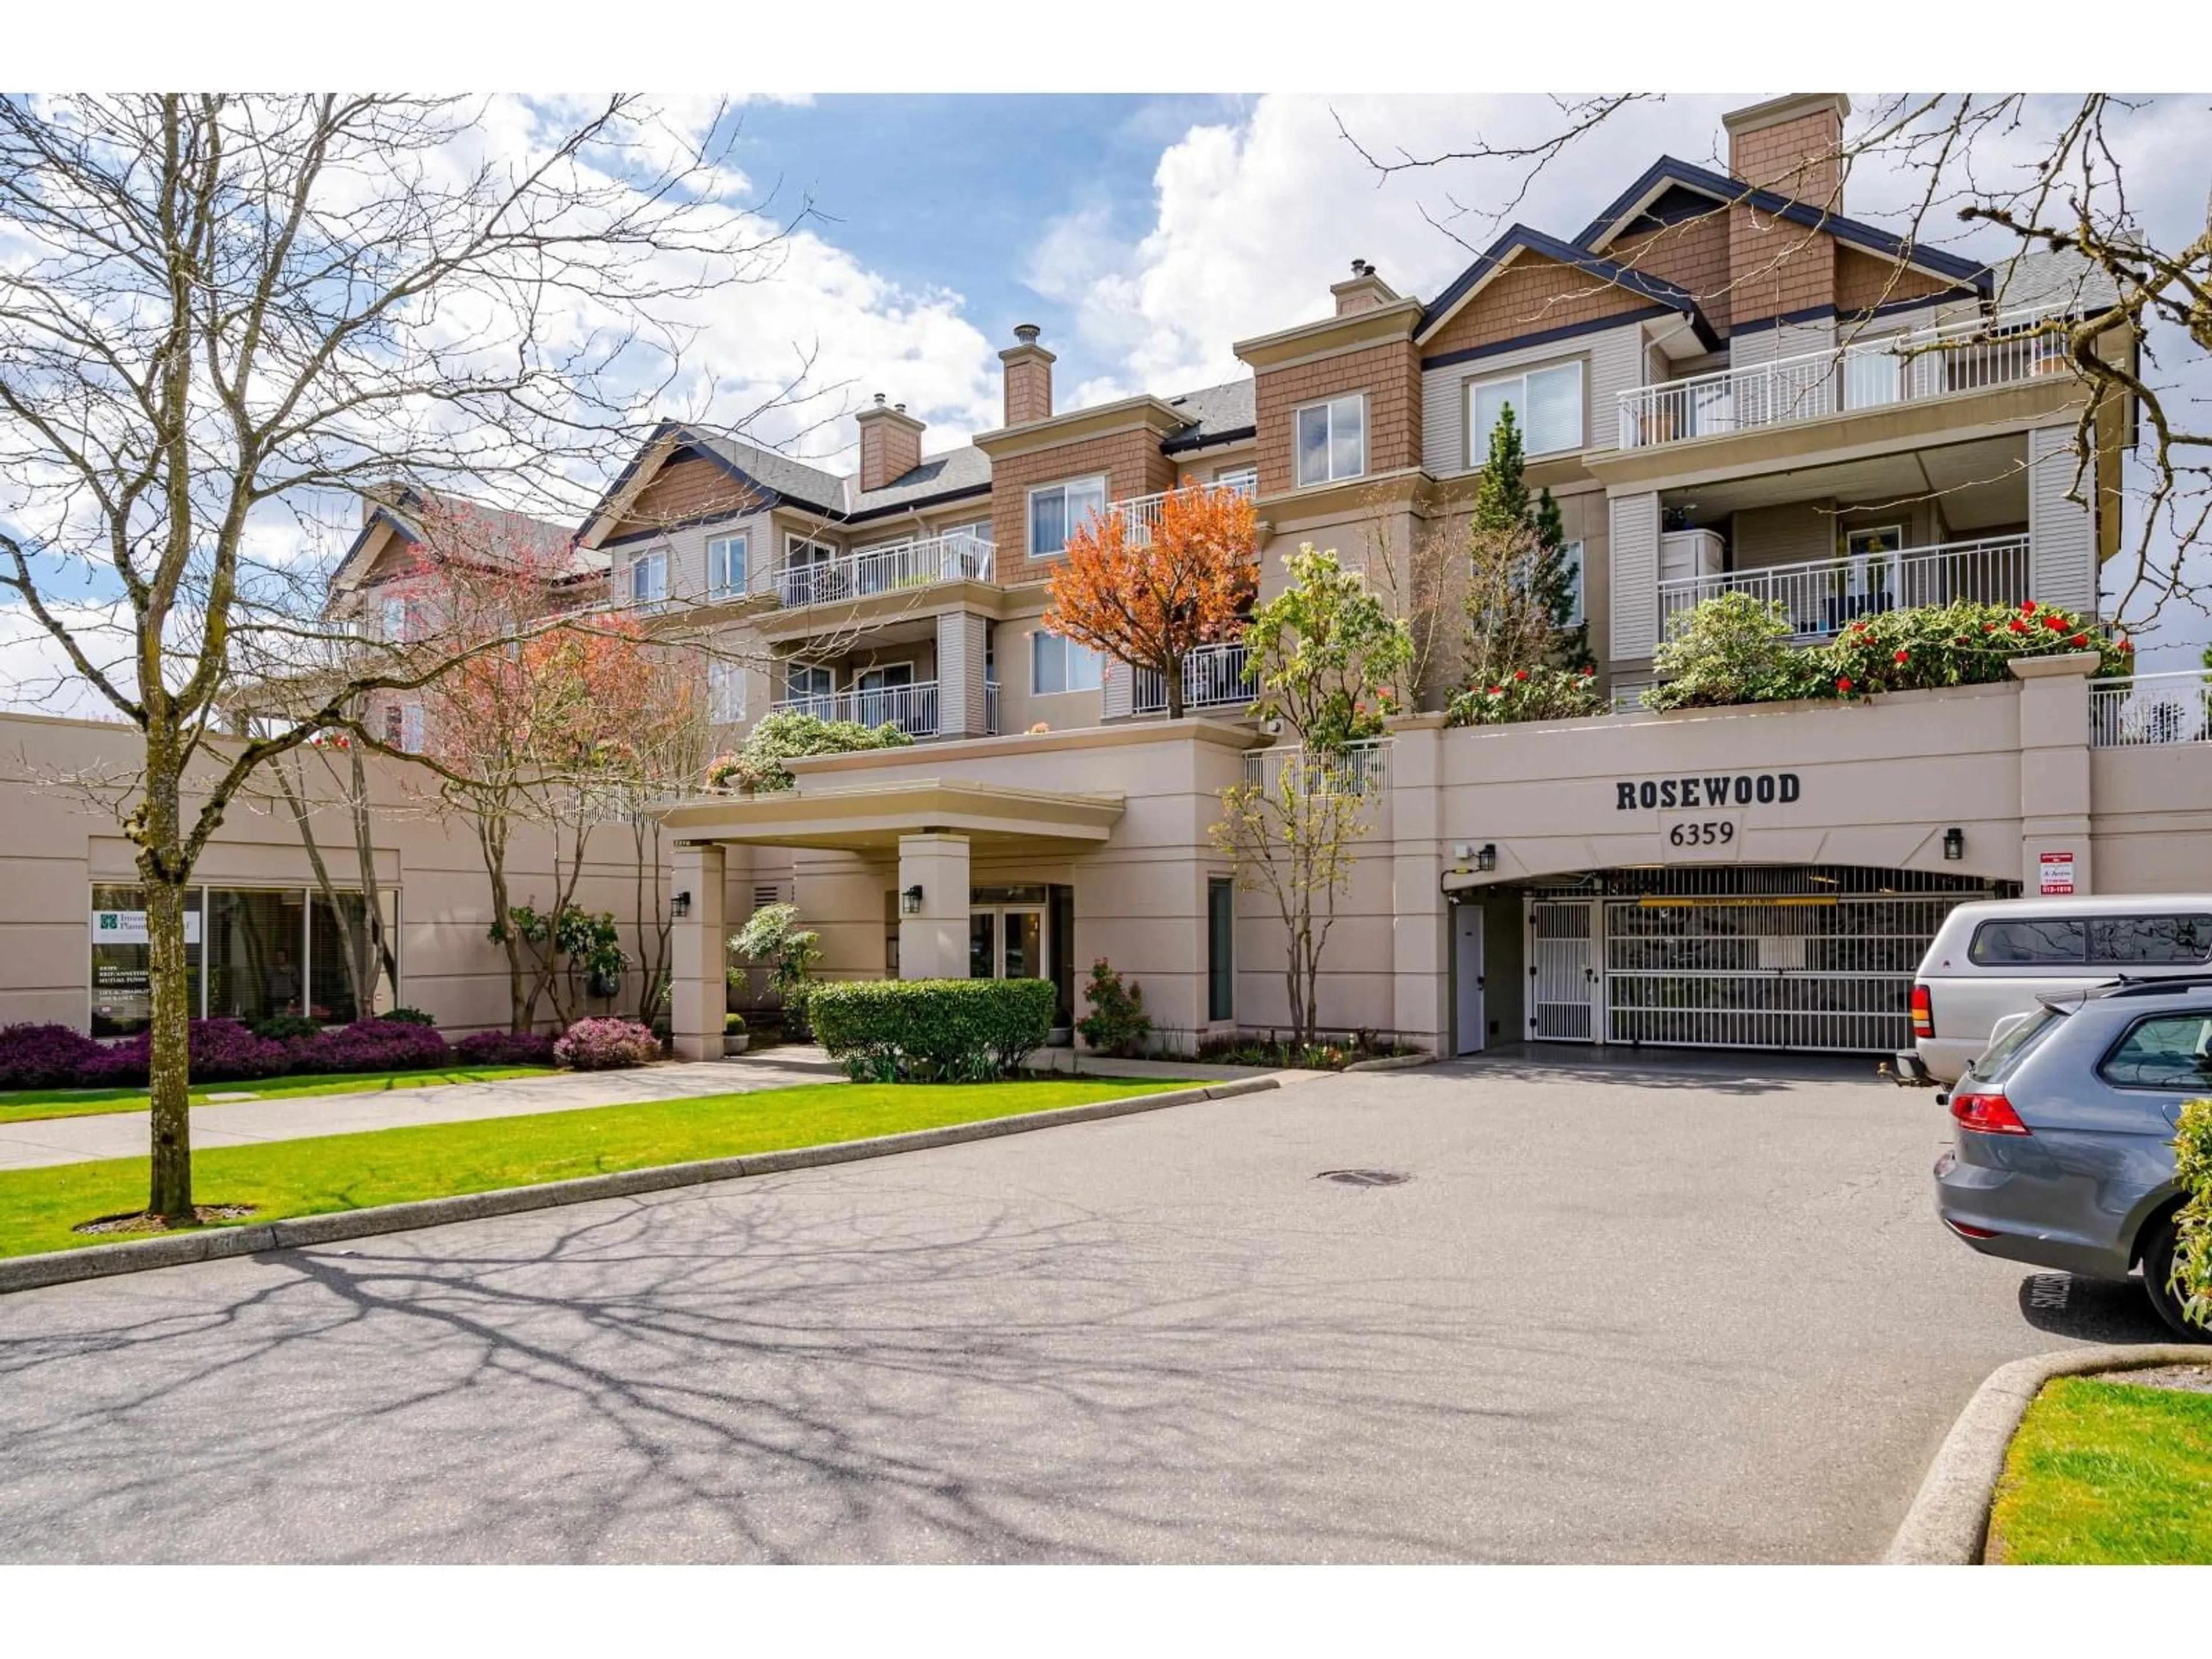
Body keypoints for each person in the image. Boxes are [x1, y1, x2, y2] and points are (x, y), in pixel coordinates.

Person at [266, 947, 300, 1014]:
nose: (279, 958)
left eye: (281, 956)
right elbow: (268, 984)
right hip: (275, 999)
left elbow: (297, 983)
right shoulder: (271, 970)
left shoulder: (292, 969)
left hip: (288, 998)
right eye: (277, 956)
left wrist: (294, 999)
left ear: (286, 958)